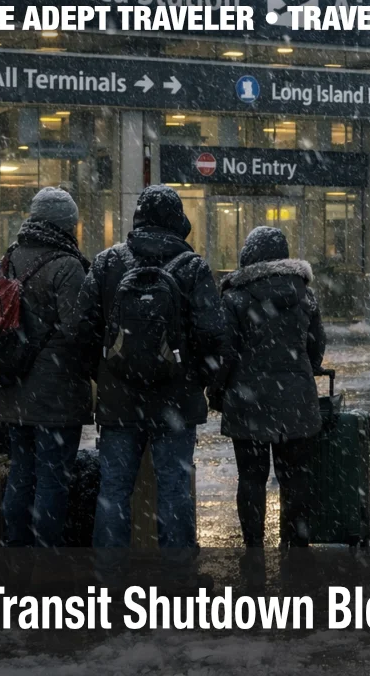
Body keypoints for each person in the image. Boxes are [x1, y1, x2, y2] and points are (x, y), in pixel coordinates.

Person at [76, 185, 224, 550]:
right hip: (176, 402)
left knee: (114, 490)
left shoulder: (107, 263)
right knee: (174, 489)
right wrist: (194, 378)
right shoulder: (193, 267)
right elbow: (212, 334)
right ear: (177, 220)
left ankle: (110, 573)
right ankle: (178, 573)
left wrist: (106, 374)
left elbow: (81, 330)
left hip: (119, 401)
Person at [214, 226, 326, 550]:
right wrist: (301, 371)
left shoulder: (234, 297)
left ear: (248, 255)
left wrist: (217, 392)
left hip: (248, 403)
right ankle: (295, 545)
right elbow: (316, 346)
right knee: (296, 478)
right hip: (296, 399)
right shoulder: (304, 294)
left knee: (251, 478)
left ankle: (253, 546)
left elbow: (224, 353)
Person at [0, 188, 93, 547]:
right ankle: (47, 555)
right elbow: (76, 328)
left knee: (21, 472)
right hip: (55, 394)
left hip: (13, 386)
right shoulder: (67, 265)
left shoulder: (8, 259)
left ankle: (16, 548)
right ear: (66, 224)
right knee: (52, 478)